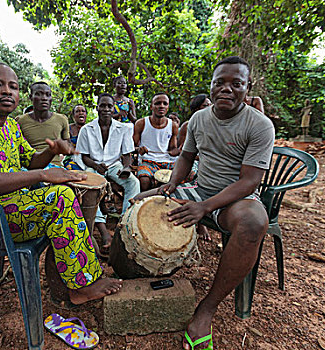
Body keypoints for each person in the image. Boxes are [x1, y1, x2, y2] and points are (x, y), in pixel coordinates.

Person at [0, 63, 122, 305]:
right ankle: (82, 285)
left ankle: (78, 276)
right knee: (60, 198)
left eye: (13, 87)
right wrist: (43, 176)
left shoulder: (11, 127)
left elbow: (33, 162)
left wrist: (51, 150)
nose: (7, 91)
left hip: (8, 207)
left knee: (64, 194)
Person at [134, 56, 275, 350]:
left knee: (254, 223)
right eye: (219, 83)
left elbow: (250, 181)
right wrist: (173, 183)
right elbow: (185, 157)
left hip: (236, 199)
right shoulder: (198, 119)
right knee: (138, 203)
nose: (227, 89)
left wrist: (206, 207)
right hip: (198, 189)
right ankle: (133, 272)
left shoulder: (260, 125)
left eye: (236, 83)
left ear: (248, 89)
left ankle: (207, 308)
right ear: (211, 87)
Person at [76, 93, 140, 250]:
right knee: (89, 188)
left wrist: (126, 168)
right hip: (93, 165)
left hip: (114, 165)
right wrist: (96, 167)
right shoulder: (86, 129)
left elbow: (127, 155)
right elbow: (84, 156)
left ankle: (123, 225)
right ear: (97, 107)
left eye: (109, 106)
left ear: (114, 108)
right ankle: (103, 231)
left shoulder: (123, 129)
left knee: (133, 182)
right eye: (102, 105)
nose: (105, 109)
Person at [15, 82, 69, 167]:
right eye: (38, 94)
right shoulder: (19, 121)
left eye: (48, 95)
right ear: (31, 98)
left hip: (55, 167)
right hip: (30, 169)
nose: (44, 98)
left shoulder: (62, 119)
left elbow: (66, 145)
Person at [133, 93, 180, 191]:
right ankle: (144, 204)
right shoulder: (141, 123)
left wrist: (177, 150)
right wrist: (139, 149)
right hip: (148, 161)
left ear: (168, 107)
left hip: (168, 161)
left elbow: (172, 148)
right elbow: (131, 147)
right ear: (151, 107)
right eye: (158, 103)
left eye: (165, 103)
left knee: (188, 175)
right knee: (144, 180)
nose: (161, 106)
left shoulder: (173, 125)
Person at [63, 104, 87, 170]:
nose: (81, 113)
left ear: (86, 115)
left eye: (83, 111)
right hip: (72, 159)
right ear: (73, 116)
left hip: (88, 159)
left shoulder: (90, 129)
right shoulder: (68, 129)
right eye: (77, 111)